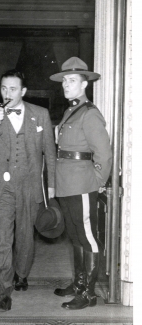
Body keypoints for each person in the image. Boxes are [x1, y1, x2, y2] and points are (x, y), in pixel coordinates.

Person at [0, 69, 56, 312]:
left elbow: (50, 152)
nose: (7, 93)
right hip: (1, 187)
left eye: (12, 89)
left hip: (30, 185)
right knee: (2, 238)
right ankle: (4, 291)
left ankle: (21, 273)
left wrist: (50, 187)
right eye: (3, 88)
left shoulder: (40, 115)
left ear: (23, 91)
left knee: (25, 237)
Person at [49, 57, 112, 310]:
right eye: (64, 80)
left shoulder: (90, 114)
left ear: (84, 84)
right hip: (67, 183)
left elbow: (104, 155)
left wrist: (95, 182)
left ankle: (89, 293)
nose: (66, 84)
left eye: (72, 80)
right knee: (75, 236)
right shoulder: (70, 111)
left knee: (89, 238)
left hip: (83, 184)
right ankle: (78, 283)